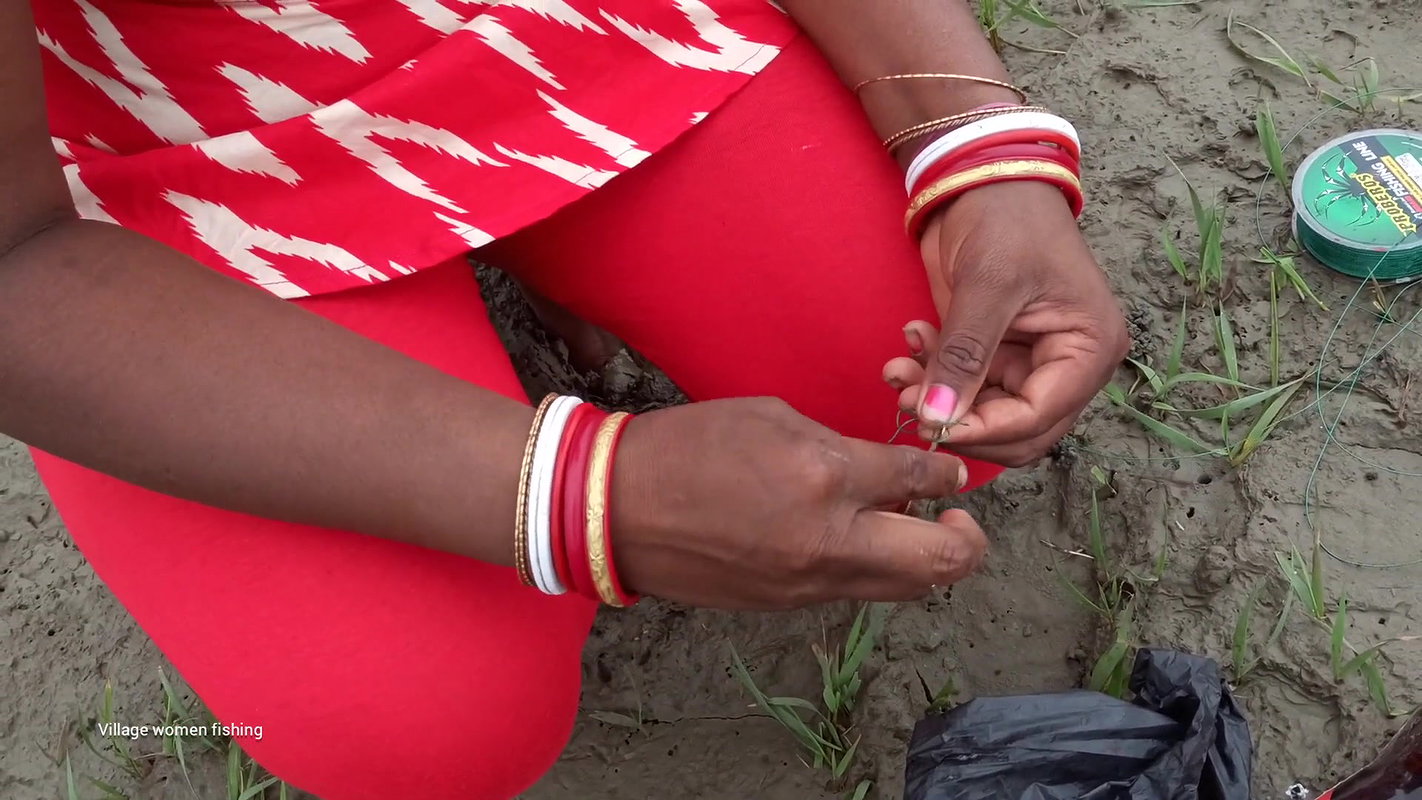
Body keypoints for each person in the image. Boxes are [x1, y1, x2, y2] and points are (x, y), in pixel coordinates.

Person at [0, 1, 1128, 798]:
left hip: (560, 26)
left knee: (943, 379)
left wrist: (976, 146)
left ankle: (530, 239)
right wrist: (581, 489)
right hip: (165, 140)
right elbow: (14, 261)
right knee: (421, 721)